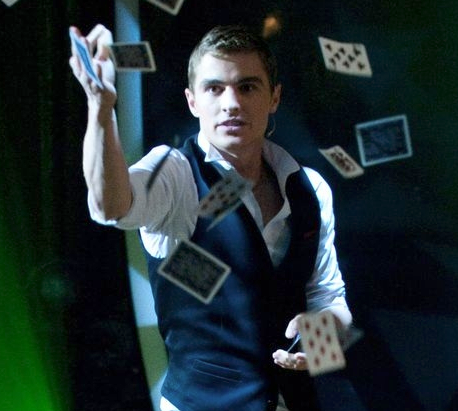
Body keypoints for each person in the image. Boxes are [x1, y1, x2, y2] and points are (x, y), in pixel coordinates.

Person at [69, 23, 353, 411]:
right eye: (214, 88)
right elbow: (110, 206)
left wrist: (318, 344)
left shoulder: (311, 189)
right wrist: (100, 108)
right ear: (192, 101)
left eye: (247, 87)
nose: (231, 103)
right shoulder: (176, 173)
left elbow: (328, 297)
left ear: (274, 97)